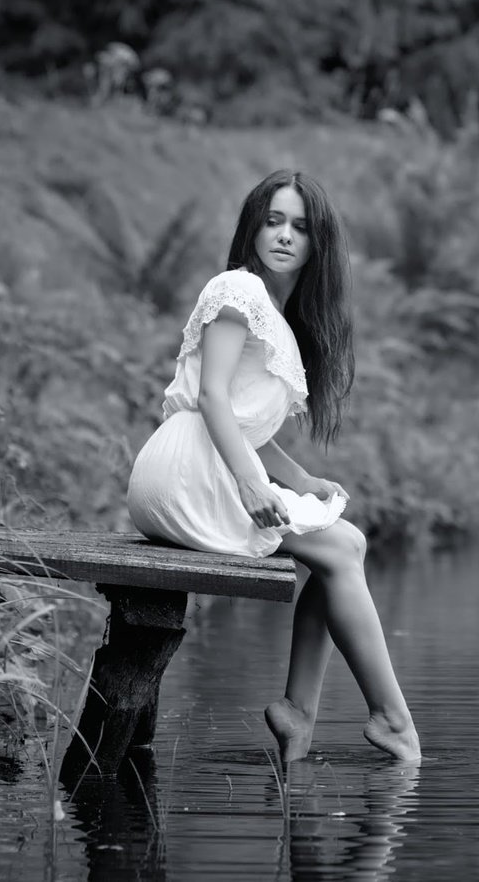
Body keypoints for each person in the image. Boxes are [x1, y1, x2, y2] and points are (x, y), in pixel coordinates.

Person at [127, 169, 420, 763]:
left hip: (203, 462)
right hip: (186, 467)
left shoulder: (274, 315)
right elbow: (211, 398)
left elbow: (245, 425)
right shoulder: (237, 289)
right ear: (253, 228)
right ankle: (390, 718)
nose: (285, 236)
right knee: (340, 550)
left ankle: (300, 715)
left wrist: (301, 480)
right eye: (274, 220)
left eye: (301, 227)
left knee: (344, 546)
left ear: (319, 244)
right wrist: (250, 482)